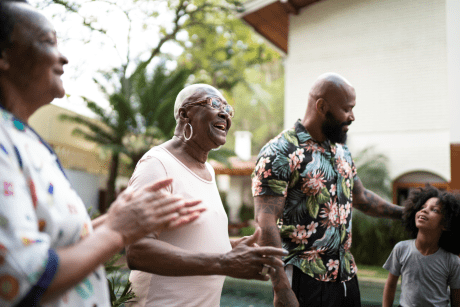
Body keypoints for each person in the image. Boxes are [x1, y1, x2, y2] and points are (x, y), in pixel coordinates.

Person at [0, 1, 204, 306]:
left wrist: (121, 219)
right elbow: (19, 277)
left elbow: (60, 241)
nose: (63, 58)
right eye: (47, 42)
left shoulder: (24, 136)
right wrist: (117, 231)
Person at [125, 83, 288, 307]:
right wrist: (223, 261)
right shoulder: (157, 164)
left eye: (228, 109)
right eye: (213, 104)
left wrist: (229, 246)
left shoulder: (208, 171)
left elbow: (189, 237)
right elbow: (137, 250)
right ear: (184, 114)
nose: (225, 114)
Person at [252, 72, 404, 307]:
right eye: (347, 109)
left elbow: (361, 197)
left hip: (346, 276)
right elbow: (266, 221)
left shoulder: (341, 150)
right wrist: (281, 287)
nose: (352, 116)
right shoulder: (280, 151)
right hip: (305, 277)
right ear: (322, 106)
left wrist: (405, 213)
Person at [382, 186, 460, 307]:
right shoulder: (401, 249)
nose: (424, 210)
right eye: (422, 207)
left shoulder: (453, 261)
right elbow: (390, 285)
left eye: (434, 210)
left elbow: (456, 299)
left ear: (445, 223)